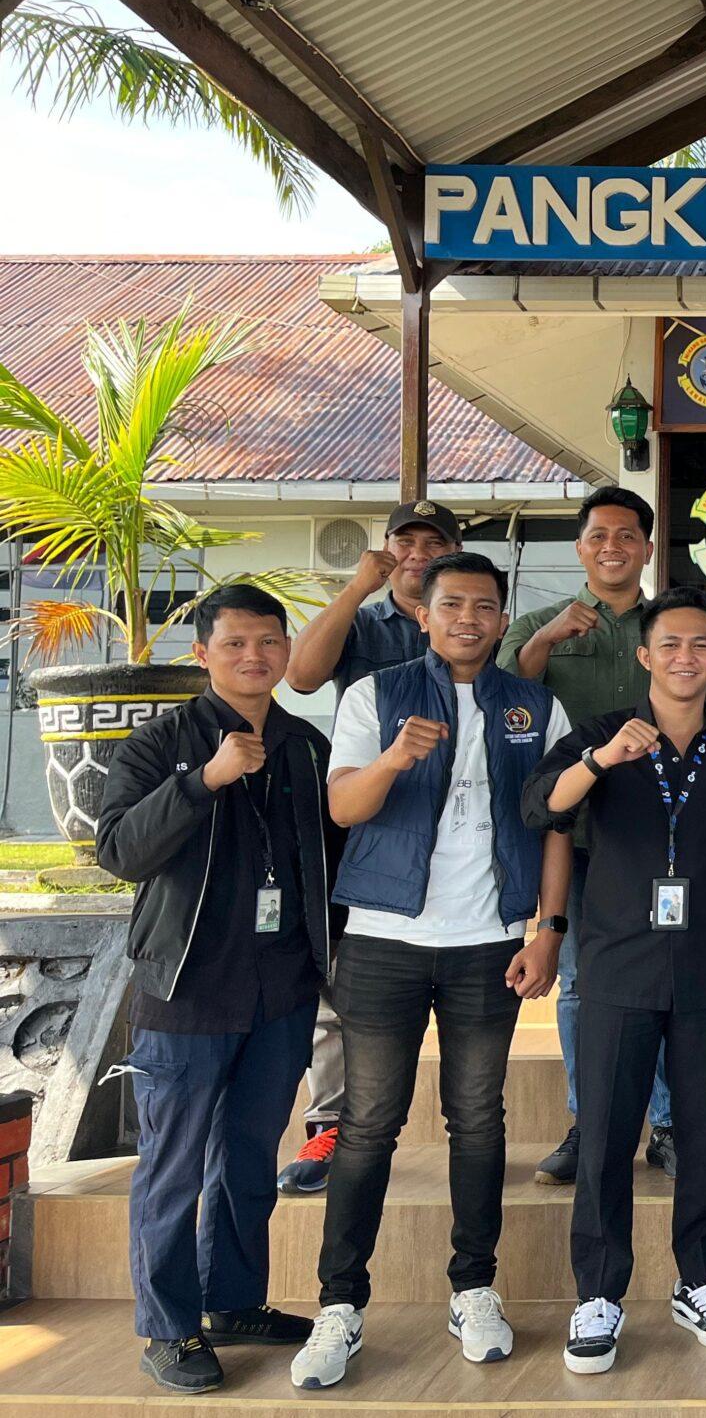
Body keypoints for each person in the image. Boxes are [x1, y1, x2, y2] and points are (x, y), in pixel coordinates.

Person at [290, 552, 569, 1391]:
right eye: (452, 605)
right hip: (384, 938)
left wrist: (548, 929)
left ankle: (473, 1288)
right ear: (422, 614)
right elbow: (343, 806)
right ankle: (340, 1305)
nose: (468, 620)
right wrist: (391, 760)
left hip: (489, 940)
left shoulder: (535, 706)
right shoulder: (374, 696)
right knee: (369, 1123)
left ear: (503, 618)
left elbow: (557, 823)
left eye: (484, 607)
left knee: (478, 1120)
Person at [523, 587, 706, 1372]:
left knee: (704, 1131)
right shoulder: (600, 735)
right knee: (605, 1135)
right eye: (670, 644)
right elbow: (541, 807)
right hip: (617, 960)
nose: (685, 657)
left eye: (701, 644)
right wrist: (601, 761)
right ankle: (599, 1292)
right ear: (645, 656)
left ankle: (699, 1277)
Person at [97, 586, 342, 1394]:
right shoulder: (159, 744)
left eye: (268, 642)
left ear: (285, 651)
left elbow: (332, 858)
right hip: (186, 991)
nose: (254, 657)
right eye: (234, 643)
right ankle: (168, 1328)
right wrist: (204, 779)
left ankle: (232, 1302)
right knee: (172, 1167)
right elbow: (118, 851)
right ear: (202, 654)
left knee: (246, 1160)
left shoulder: (307, 746)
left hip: (281, 991)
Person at [277, 500, 461, 1196]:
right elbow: (300, 676)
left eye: (433, 543)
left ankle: (474, 1134)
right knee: (339, 977)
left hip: (460, 826)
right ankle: (329, 1125)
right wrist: (357, 587)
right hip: (362, 816)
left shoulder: (469, 616)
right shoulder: (360, 619)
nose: (418, 554)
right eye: (405, 541)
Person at [498, 487, 668, 1186]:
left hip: (660, 829)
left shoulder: (667, 624)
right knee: (577, 984)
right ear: (579, 548)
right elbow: (503, 700)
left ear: (647, 548)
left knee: (662, 978)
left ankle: (666, 1125)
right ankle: (587, 1122)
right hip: (573, 832)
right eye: (598, 535)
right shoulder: (539, 623)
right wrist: (546, 641)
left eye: (627, 536)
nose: (612, 547)